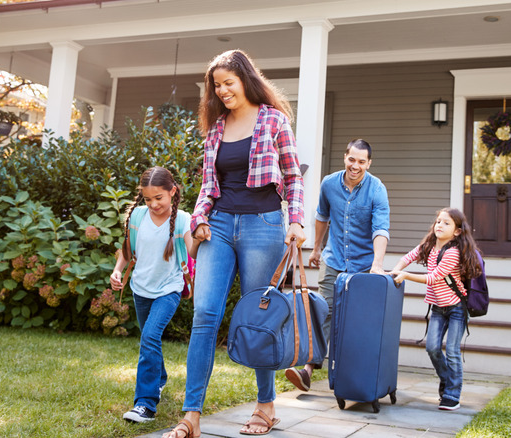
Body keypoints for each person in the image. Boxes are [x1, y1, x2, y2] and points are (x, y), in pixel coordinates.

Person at [161, 49, 306, 438]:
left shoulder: (274, 120)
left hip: (263, 224)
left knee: (260, 318)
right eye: (216, 85)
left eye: (228, 82)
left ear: (245, 79)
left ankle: (265, 406)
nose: (222, 90)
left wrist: (295, 221)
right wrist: (201, 219)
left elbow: (293, 177)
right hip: (220, 226)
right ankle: (191, 415)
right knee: (205, 315)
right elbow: (209, 186)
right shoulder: (215, 130)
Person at [284, 138, 390, 393]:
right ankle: (308, 369)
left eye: (361, 162)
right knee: (325, 311)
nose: (355, 166)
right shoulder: (329, 183)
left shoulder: (377, 189)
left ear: (369, 163)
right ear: (345, 157)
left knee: (357, 320)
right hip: (334, 260)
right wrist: (317, 248)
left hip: (364, 265)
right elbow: (322, 216)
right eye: (351, 159)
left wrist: (377, 263)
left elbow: (380, 229)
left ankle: (352, 375)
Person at [110, 166, 197, 423]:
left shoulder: (182, 219)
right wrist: (117, 270)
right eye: (148, 199)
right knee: (150, 340)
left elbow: (192, 251)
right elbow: (127, 248)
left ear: (173, 192)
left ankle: (145, 404)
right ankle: (159, 379)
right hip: (140, 288)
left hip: (169, 289)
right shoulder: (137, 216)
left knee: (149, 337)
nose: (153, 204)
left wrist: (200, 233)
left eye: (159, 198)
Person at [386, 207, 482, 411]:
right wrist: (397, 269)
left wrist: (405, 276)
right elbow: (409, 256)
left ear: (457, 231)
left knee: (453, 351)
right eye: (439, 221)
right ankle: (448, 380)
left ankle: (452, 394)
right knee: (432, 348)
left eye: (447, 223)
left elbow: (433, 277)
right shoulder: (429, 246)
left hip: (456, 308)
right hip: (438, 308)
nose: (440, 225)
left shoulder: (453, 252)